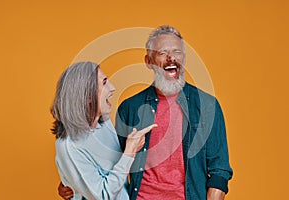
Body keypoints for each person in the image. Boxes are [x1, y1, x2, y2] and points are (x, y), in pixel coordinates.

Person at [58, 25, 233, 200]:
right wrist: (77, 184)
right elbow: (113, 163)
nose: (171, 57)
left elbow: (220, 171)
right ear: (148, 61)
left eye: (177, 52)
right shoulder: (130, 108)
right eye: (163, 52)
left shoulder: (207, 106)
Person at [51, 62, 157, 200]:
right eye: (104, 82)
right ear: (87, 96)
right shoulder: (69, 145)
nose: (112, 88)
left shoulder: (104, 122)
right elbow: (103, 196)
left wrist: (76, 182)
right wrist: (130, 151)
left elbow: (109, 169)